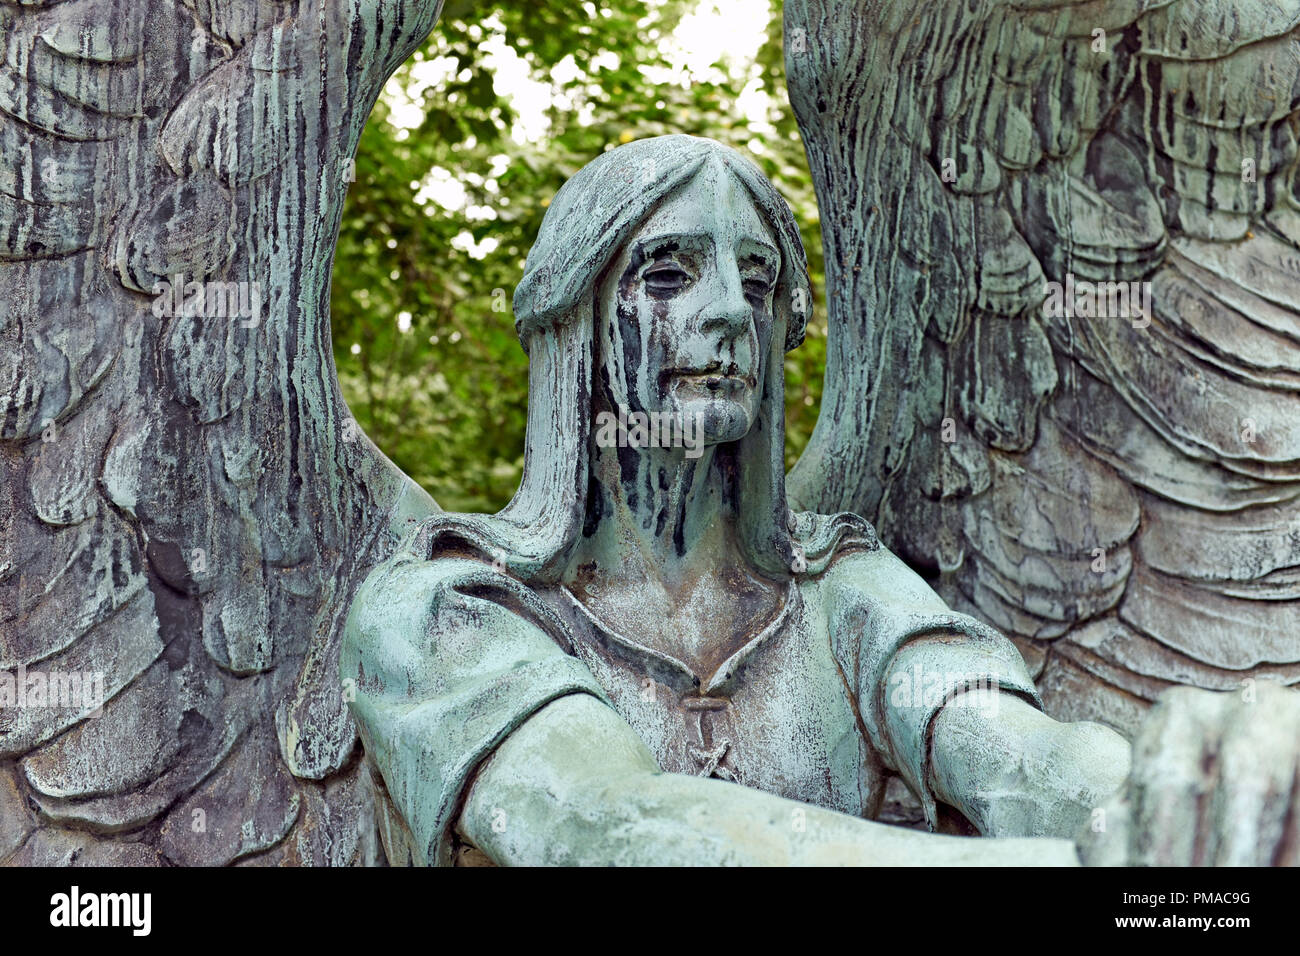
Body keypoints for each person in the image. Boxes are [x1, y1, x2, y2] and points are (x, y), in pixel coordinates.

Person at [341, 135, 1129, 866]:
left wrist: (1167, 794)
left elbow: (1026, 759)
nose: (729, 311)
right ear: (574, 313)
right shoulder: (444, 609)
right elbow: (596, 826)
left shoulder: (837, 586)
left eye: (757, 283)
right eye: (667, 276)